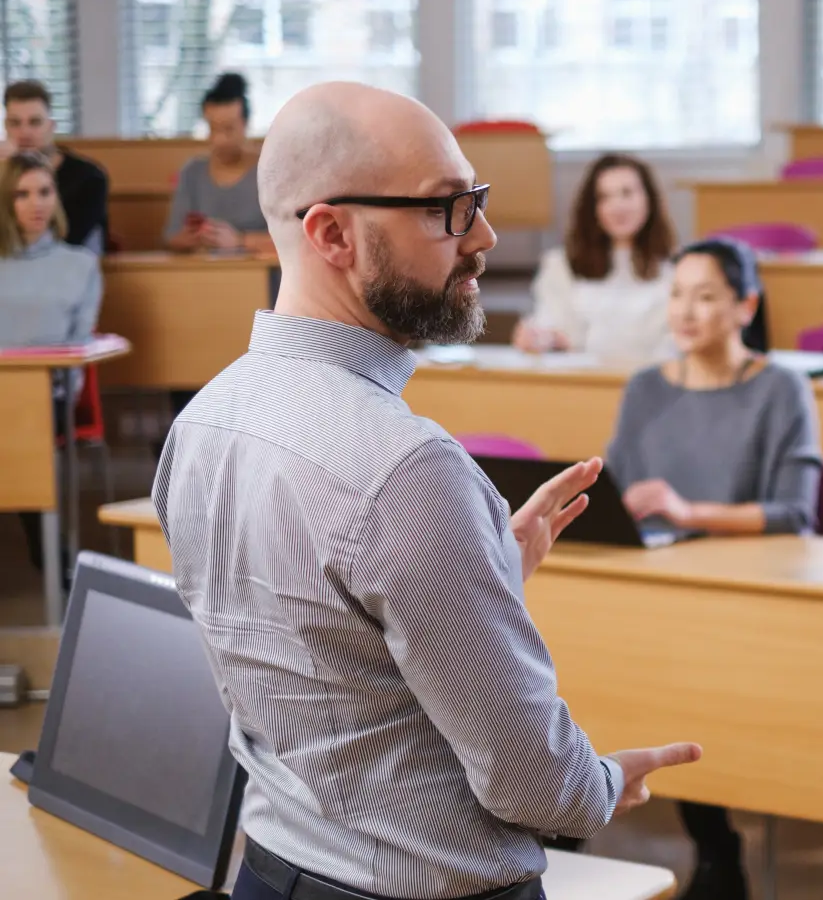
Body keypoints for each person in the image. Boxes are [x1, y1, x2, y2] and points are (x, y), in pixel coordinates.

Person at [152, 82, 700, 900]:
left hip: (271, 873)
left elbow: (319, 661)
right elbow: (531, 785)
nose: (483, 235)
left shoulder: (204, 420)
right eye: (446, 209)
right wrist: (601, 782)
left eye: (473, 199)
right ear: (332, 233)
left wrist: (479, 576)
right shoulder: (408, 471)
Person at [607, 241, 823, 900]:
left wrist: (687, 509)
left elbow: (794, 512)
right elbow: (620, 493)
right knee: (651, 671)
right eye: (677, 293)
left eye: (705, 296)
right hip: (677, 598)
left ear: (746, 306)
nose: (685, 311)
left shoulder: (781, 386)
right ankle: (714, 850)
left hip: (769, 594)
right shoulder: (645, 388)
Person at [0, 150, 102, 570]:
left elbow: (79, 348)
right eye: (22, 194)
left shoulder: (80, 265)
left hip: (47, 396)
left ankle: (52, 562)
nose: (36, 203)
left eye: (44, 191)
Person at [512, 153, 675, 365]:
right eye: (604, 197)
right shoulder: (561, 264)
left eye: (627, 193)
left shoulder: (677, 267)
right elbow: (551, 325)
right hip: (582, 383)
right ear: (593, 209)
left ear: (649, 199)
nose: (617, 206)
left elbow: (675, 343)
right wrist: (540, 338)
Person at [163, 72, 270, 255]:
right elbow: (171, 238)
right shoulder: (193, 172)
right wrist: (192, 237)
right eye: (213, 129)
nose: (220, 140)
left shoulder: (270, 170)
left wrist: (239, 240)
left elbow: (291, 240)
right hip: (205, 275)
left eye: (229, 129)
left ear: (245, 124)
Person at [2, 79, 110, 254]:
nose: (24, 133)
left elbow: (68, 240)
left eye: (35, 122)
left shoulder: (89, 178)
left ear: (51, 127)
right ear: (5, 127)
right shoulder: (3, 175)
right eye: (15, 123)